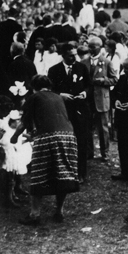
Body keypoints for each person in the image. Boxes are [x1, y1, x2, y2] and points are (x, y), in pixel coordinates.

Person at [11, 75, 79, 225]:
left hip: (48, 137)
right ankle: (59, 211)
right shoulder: (58, 97)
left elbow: (24, 122)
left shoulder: (34, 97)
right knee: (62, 173)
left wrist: (14, 137)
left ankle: (35, 214)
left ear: (33, 86)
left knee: (39, 173)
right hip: (68, 136)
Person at [48, 43, 91, 181]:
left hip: (79, 109)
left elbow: (89, 86)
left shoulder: (82, 67)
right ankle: (63, 171)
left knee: (81, 140)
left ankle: (81, 172)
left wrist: (84, 93)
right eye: (71, 55)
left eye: (75, 55)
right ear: (63, 55)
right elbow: (50, 90)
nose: (74, 58)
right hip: (63, 110)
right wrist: (61, 95)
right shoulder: (54, 70)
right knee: (63, 140)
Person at [81, 37, 118, 161]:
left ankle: (105, 152)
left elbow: (114, 79)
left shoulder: (106, 62)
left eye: (93, 47)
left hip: (101, 99)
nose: (91, 49)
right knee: (87, 127)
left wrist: (104, 81)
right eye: (89, 46)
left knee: (103, 128)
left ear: (100, 47)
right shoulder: (83, 62)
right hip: (87, 99)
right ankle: (89, 152)